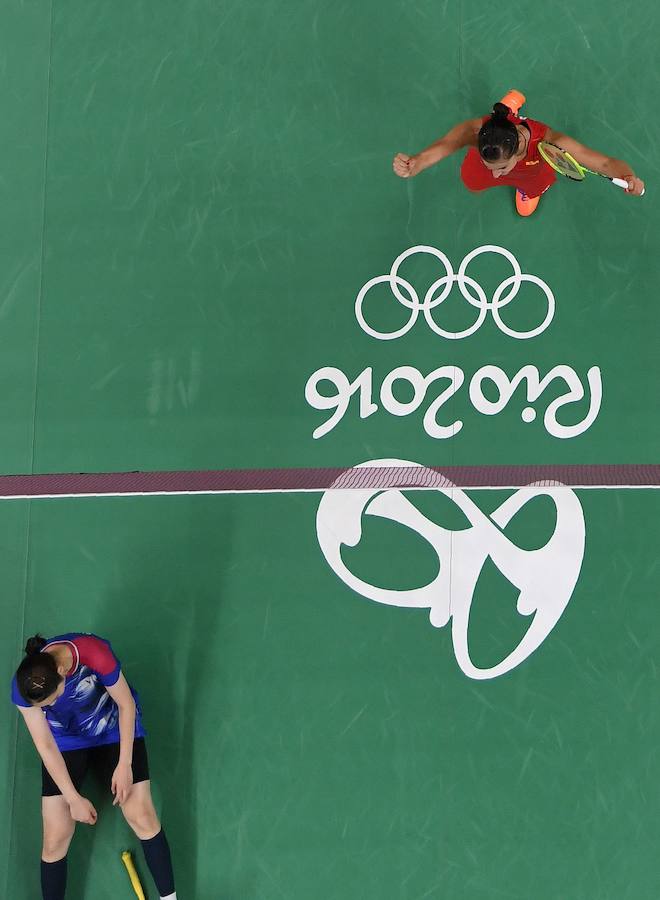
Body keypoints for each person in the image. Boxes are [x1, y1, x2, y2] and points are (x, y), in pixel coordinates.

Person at [11, 632, 177, 900]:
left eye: (51, 701)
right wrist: (73, 798)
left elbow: (126, 704)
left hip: (111, 725)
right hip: (65, 741)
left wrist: (125, 764)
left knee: (141, 814)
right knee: (55, 838)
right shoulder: (24, 687)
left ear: (62, 671)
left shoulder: (94, 652)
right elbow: (46, 746)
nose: (50, 706)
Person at [393, 89, 645, 216]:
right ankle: (507, 108)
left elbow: (604, 163)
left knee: (533, 185)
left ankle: (509, 106)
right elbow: (446, 145)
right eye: (491, 166)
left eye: (501, 167)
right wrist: (416, 163)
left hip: (534, 169)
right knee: (474, 181)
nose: (496, 175)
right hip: (500, 145)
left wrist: (628, 176)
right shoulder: (475, 132)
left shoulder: (551, 141)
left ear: (516, 152)